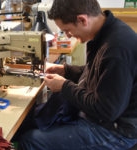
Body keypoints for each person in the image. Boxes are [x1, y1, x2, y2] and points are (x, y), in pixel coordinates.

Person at [18, 0, 137, 149]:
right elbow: (97, 72)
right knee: (33, 120)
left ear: (82, 20)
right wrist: (65, 71)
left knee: (29, 140)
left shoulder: (116, 48)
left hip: (114, 131)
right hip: (101, 118)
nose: (68, 36)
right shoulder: (106, 32)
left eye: (67, 30)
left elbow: (107, 110)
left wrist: (65, 87)